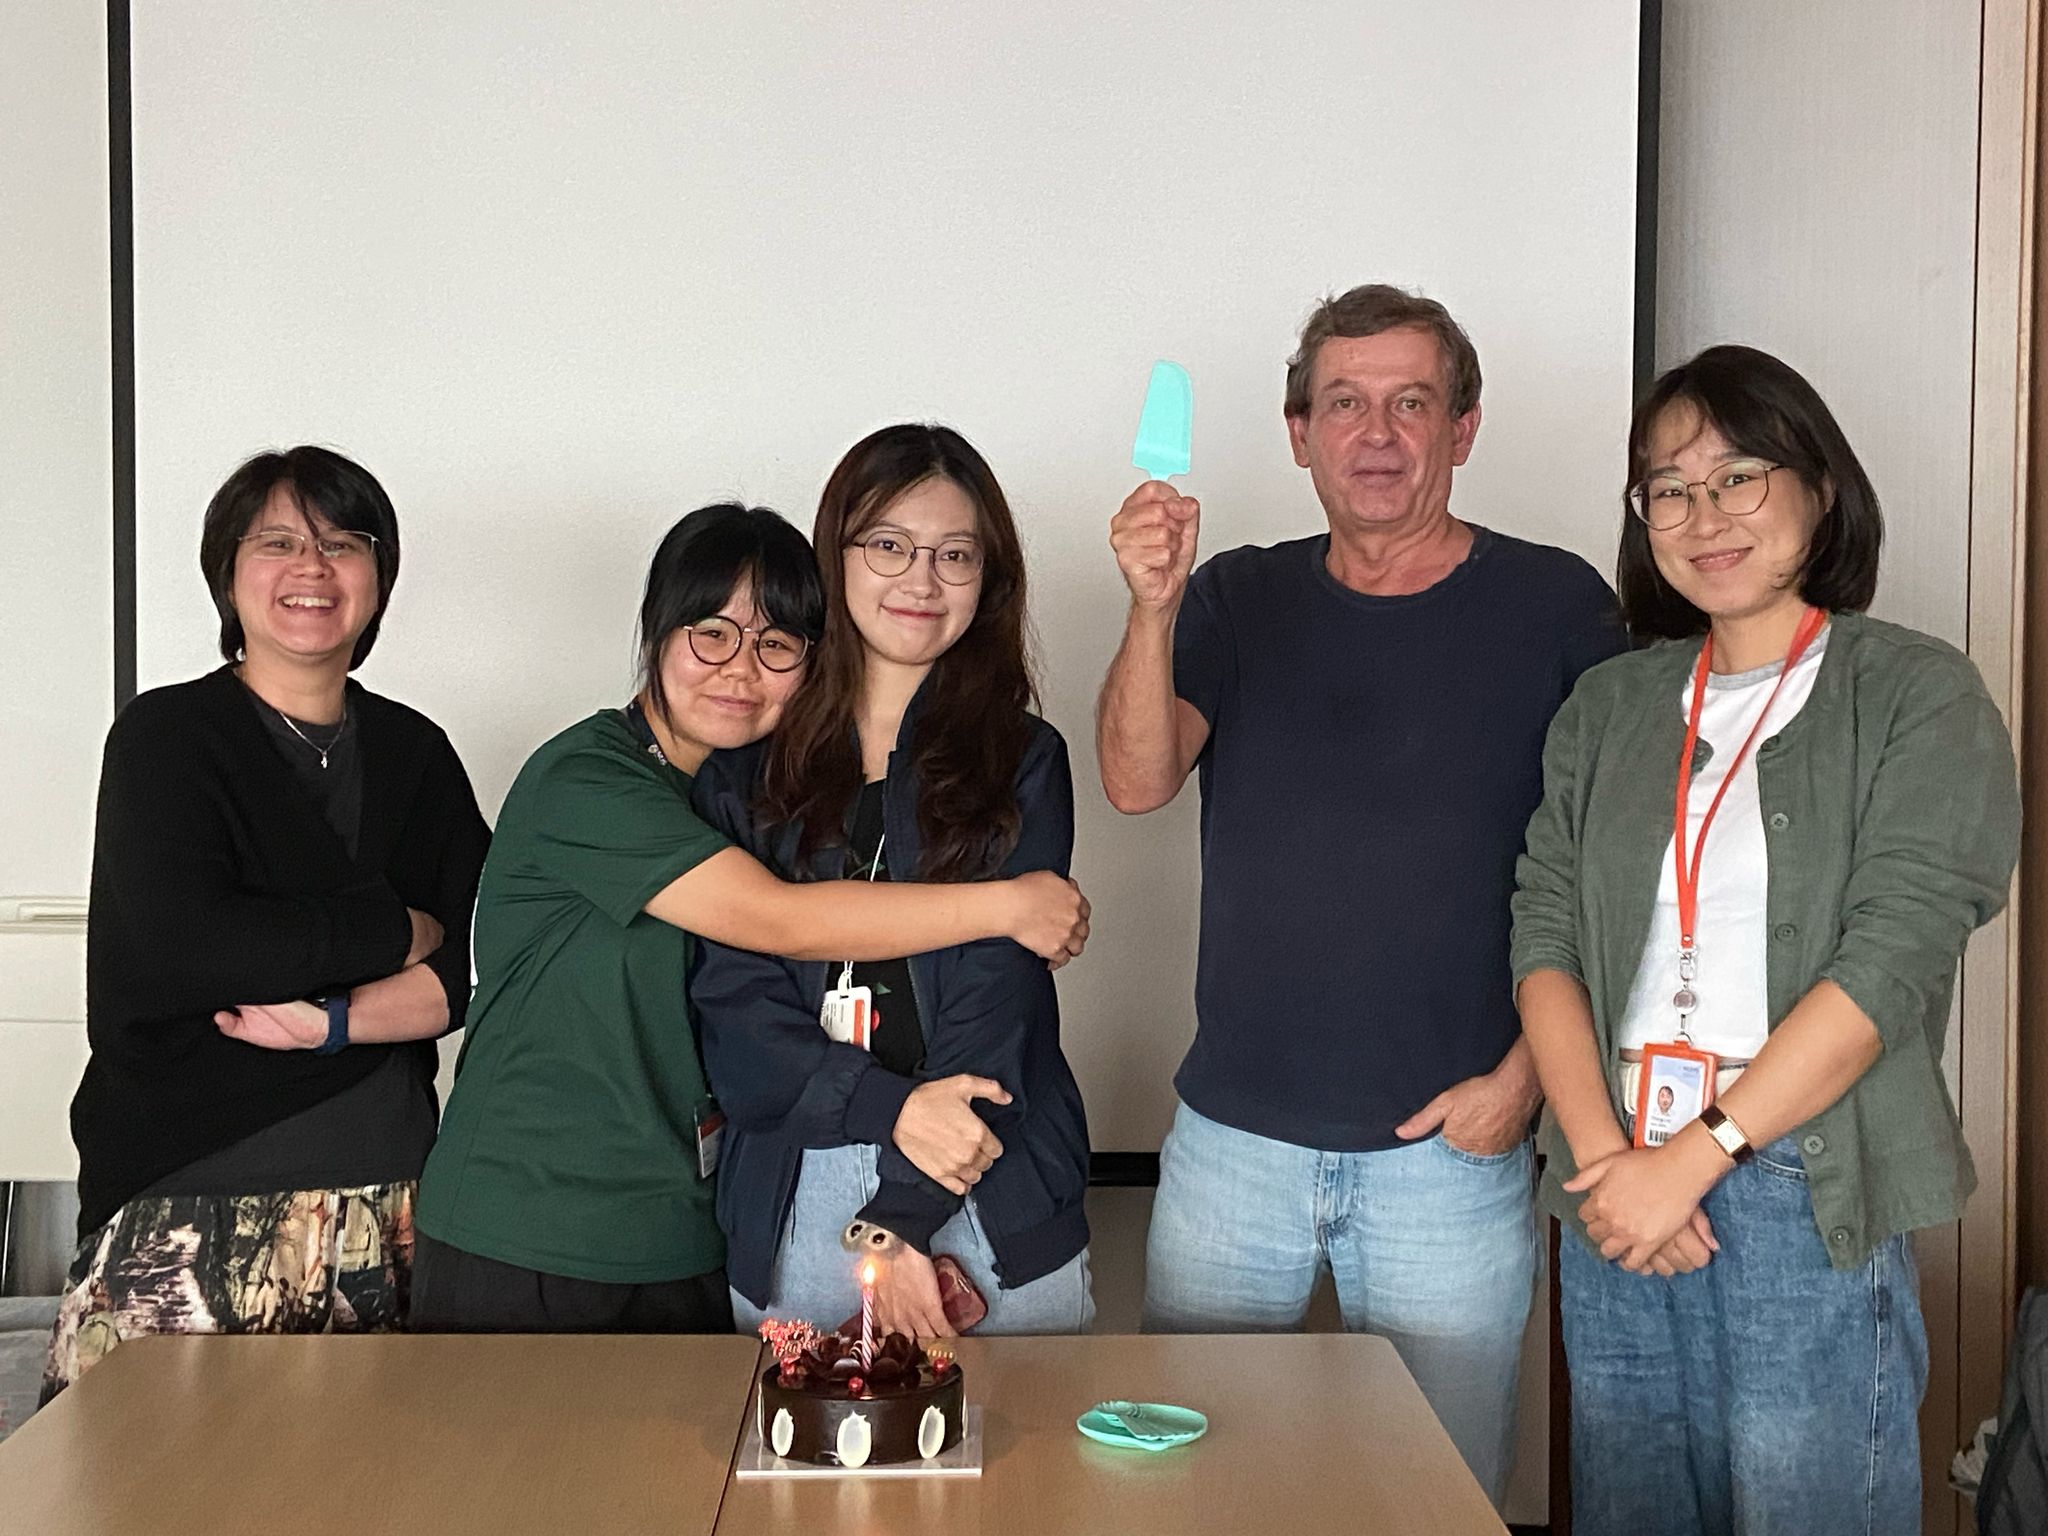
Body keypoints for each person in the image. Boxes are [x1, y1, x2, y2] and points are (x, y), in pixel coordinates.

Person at [1096, 283, 1624, 1503]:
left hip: (1452, 1151)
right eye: (1342, 404)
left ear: (1462, 428)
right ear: (1299, 434)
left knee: (1434, 1499)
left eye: (1409, 404)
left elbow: (1618, 870)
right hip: (1231, 1146)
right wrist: (1152, 607)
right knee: (1190, 1494)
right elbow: (1133, 781)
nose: (1374, 435)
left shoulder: (1556, 606)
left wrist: (1522, 1084)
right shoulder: (1234, 595)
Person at [1512, 344, 2020, 1533]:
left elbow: (1888, 962)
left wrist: (1691, 1161)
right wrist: (1607, 1165)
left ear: (1818, 488)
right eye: (1669, 488)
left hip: (1798, 1175)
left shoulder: (1916, 693)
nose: (1703, 516)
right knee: (1630, 1508)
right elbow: (1541, 932)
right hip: (1613, 1182)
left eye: (1737, 476)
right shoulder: (1608, 706)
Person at [411, 501, 1088, 1333]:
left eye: (776, 645)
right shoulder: (588, 780)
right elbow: (780, 922)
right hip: (529, 1229)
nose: (740, 670)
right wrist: (1008, 902)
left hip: (686, 1234)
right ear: (657, 633)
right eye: (711, 634)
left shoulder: (741, 796)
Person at [43, 447, 490, 1398]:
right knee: (152, 1478)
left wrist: (331, 1020)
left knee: (375, 1478)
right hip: (185, 1209)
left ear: (378, 577)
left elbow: (486, 956)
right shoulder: (167, 738)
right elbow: (190, 949)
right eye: (278, 542)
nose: (312, 567)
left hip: (392, 1210)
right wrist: (395, 931)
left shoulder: (416, 752)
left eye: (342, 543)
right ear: (228, 574)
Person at [696, 425, 1093, 1339]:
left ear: (989, 579)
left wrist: (903, 1215)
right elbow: (736, 1008)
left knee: (1017, 1441)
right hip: (795, 1189)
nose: (922, 580)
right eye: (889, 545)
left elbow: (1000, 996)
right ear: (834, 556)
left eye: (956, 554)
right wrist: (889, 1110)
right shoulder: (744, 769)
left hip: (986, 1184)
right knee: (800, 1438)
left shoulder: (1023, 758)